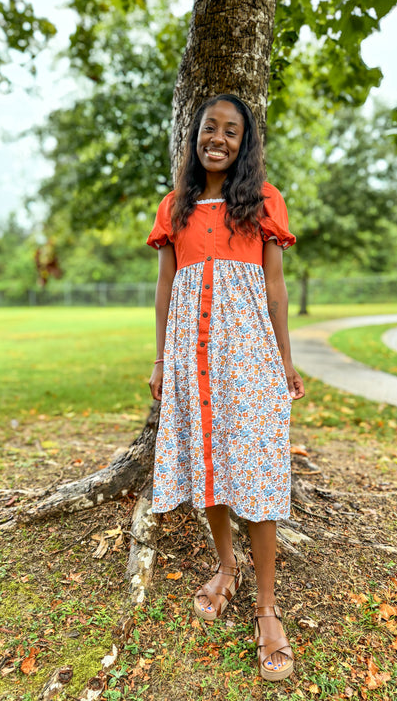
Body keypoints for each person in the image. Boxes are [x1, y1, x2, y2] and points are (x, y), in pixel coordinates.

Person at [147, 94, 305, 682]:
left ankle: (266, 607)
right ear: (194, 137)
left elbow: (275, 288)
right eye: (208, 128)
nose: (218, 137)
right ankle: (226, 569)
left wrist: (284, 360)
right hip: (192, 355)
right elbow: (166, 287)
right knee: (208, 467)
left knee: (257, 473)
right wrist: (164, 358)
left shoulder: (263, 201)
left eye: (231, 130)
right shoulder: (174, 206)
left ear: (245, 143)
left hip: (248, 355)